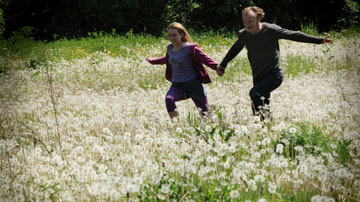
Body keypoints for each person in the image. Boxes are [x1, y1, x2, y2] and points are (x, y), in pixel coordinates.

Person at [216, 6, 333, 121]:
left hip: (274, 75)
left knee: (254, 94)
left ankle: (258, 123)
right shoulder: (244, 34)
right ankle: (265, 127)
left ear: (258, 18)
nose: (248, 25)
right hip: (258, 76)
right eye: (245, 22)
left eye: (250, 21)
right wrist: (223, 65)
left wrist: (319, 40)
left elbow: (293, 35)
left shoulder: (271, 30)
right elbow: (235, 49)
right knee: (263, 105)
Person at [147, 22, 219, 119]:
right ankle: (176, 126)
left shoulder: (190, 48)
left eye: (174, 35)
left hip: (193, 85)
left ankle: (217, 123)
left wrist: (218, 67)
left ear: (182, 34)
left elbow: (205, 59)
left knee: (205, 115)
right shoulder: (170, 49)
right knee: (169, 99)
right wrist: (153, 61)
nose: (172, 38)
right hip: (177, 85)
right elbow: (168, 59)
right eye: (169, 36)